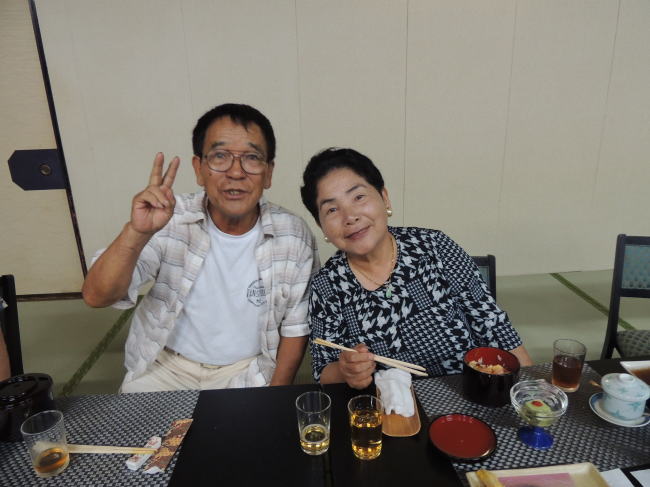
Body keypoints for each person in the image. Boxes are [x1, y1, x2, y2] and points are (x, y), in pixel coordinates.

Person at [83, 103, 319, 392]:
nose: (236, 172)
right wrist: (136, 232)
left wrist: (275, 397)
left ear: (268, 172)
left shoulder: (293, 235)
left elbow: (295, 327)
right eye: (220, 156)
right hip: (165, 366)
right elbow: (96, 296)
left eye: (252, 158)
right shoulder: (169, 218)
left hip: (246, 369)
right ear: (199, 168)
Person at [300, 147, 532, 389]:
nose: (350, 217)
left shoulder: (434, 247)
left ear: (384, 198)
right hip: (388, 405)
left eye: (358, 197)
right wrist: (345, 370)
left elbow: (494, 325)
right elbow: (323, 369)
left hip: (469, 394)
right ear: (321, 226)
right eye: (332, 209)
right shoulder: (327, 285)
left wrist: (530, 393)